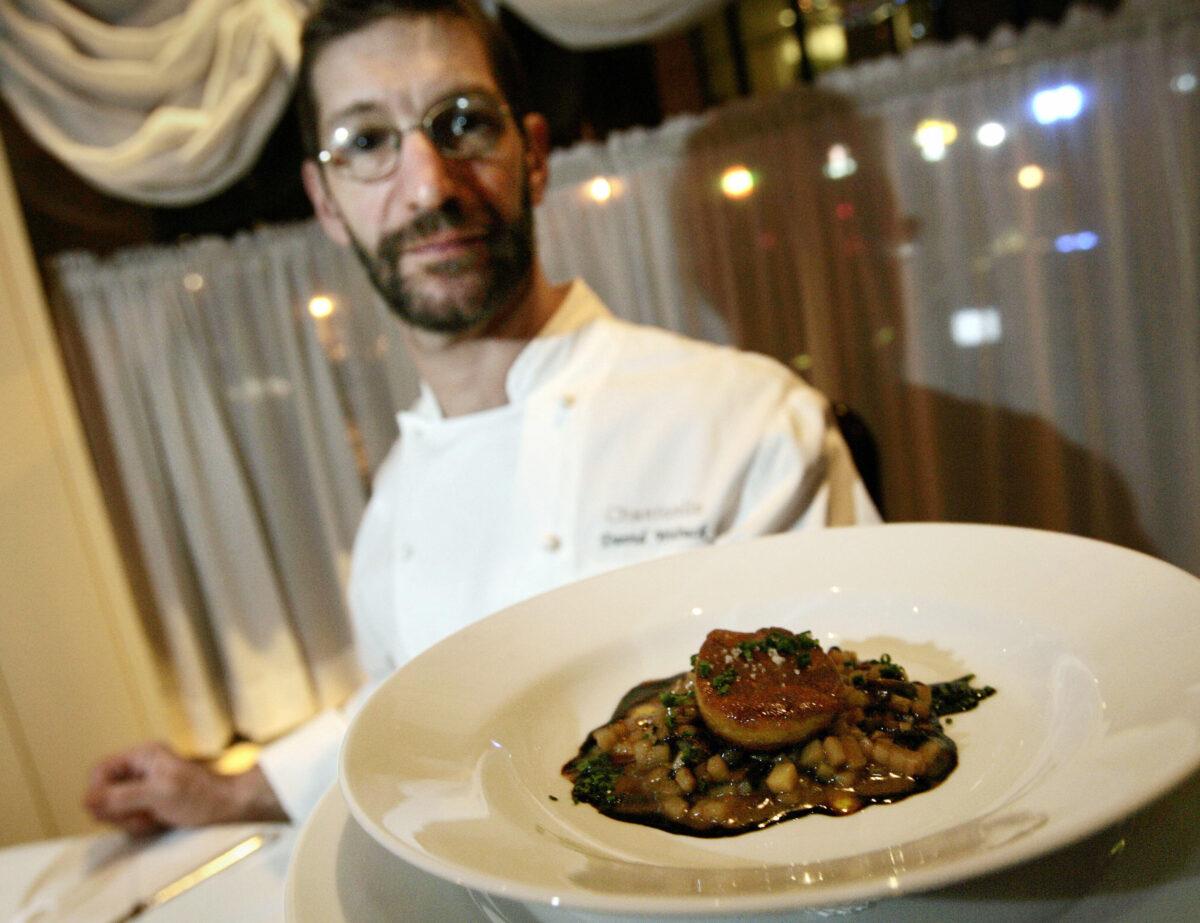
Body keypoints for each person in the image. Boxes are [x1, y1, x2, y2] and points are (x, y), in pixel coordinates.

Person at [84, 0, 880, 834]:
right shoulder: (393, 505)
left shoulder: (748, 422)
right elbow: (401, 717)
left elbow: (845, 752)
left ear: (532, 156)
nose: (429, 184)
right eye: (366, 141)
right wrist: (224, 792)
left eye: (461, 123)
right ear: (326, 201)